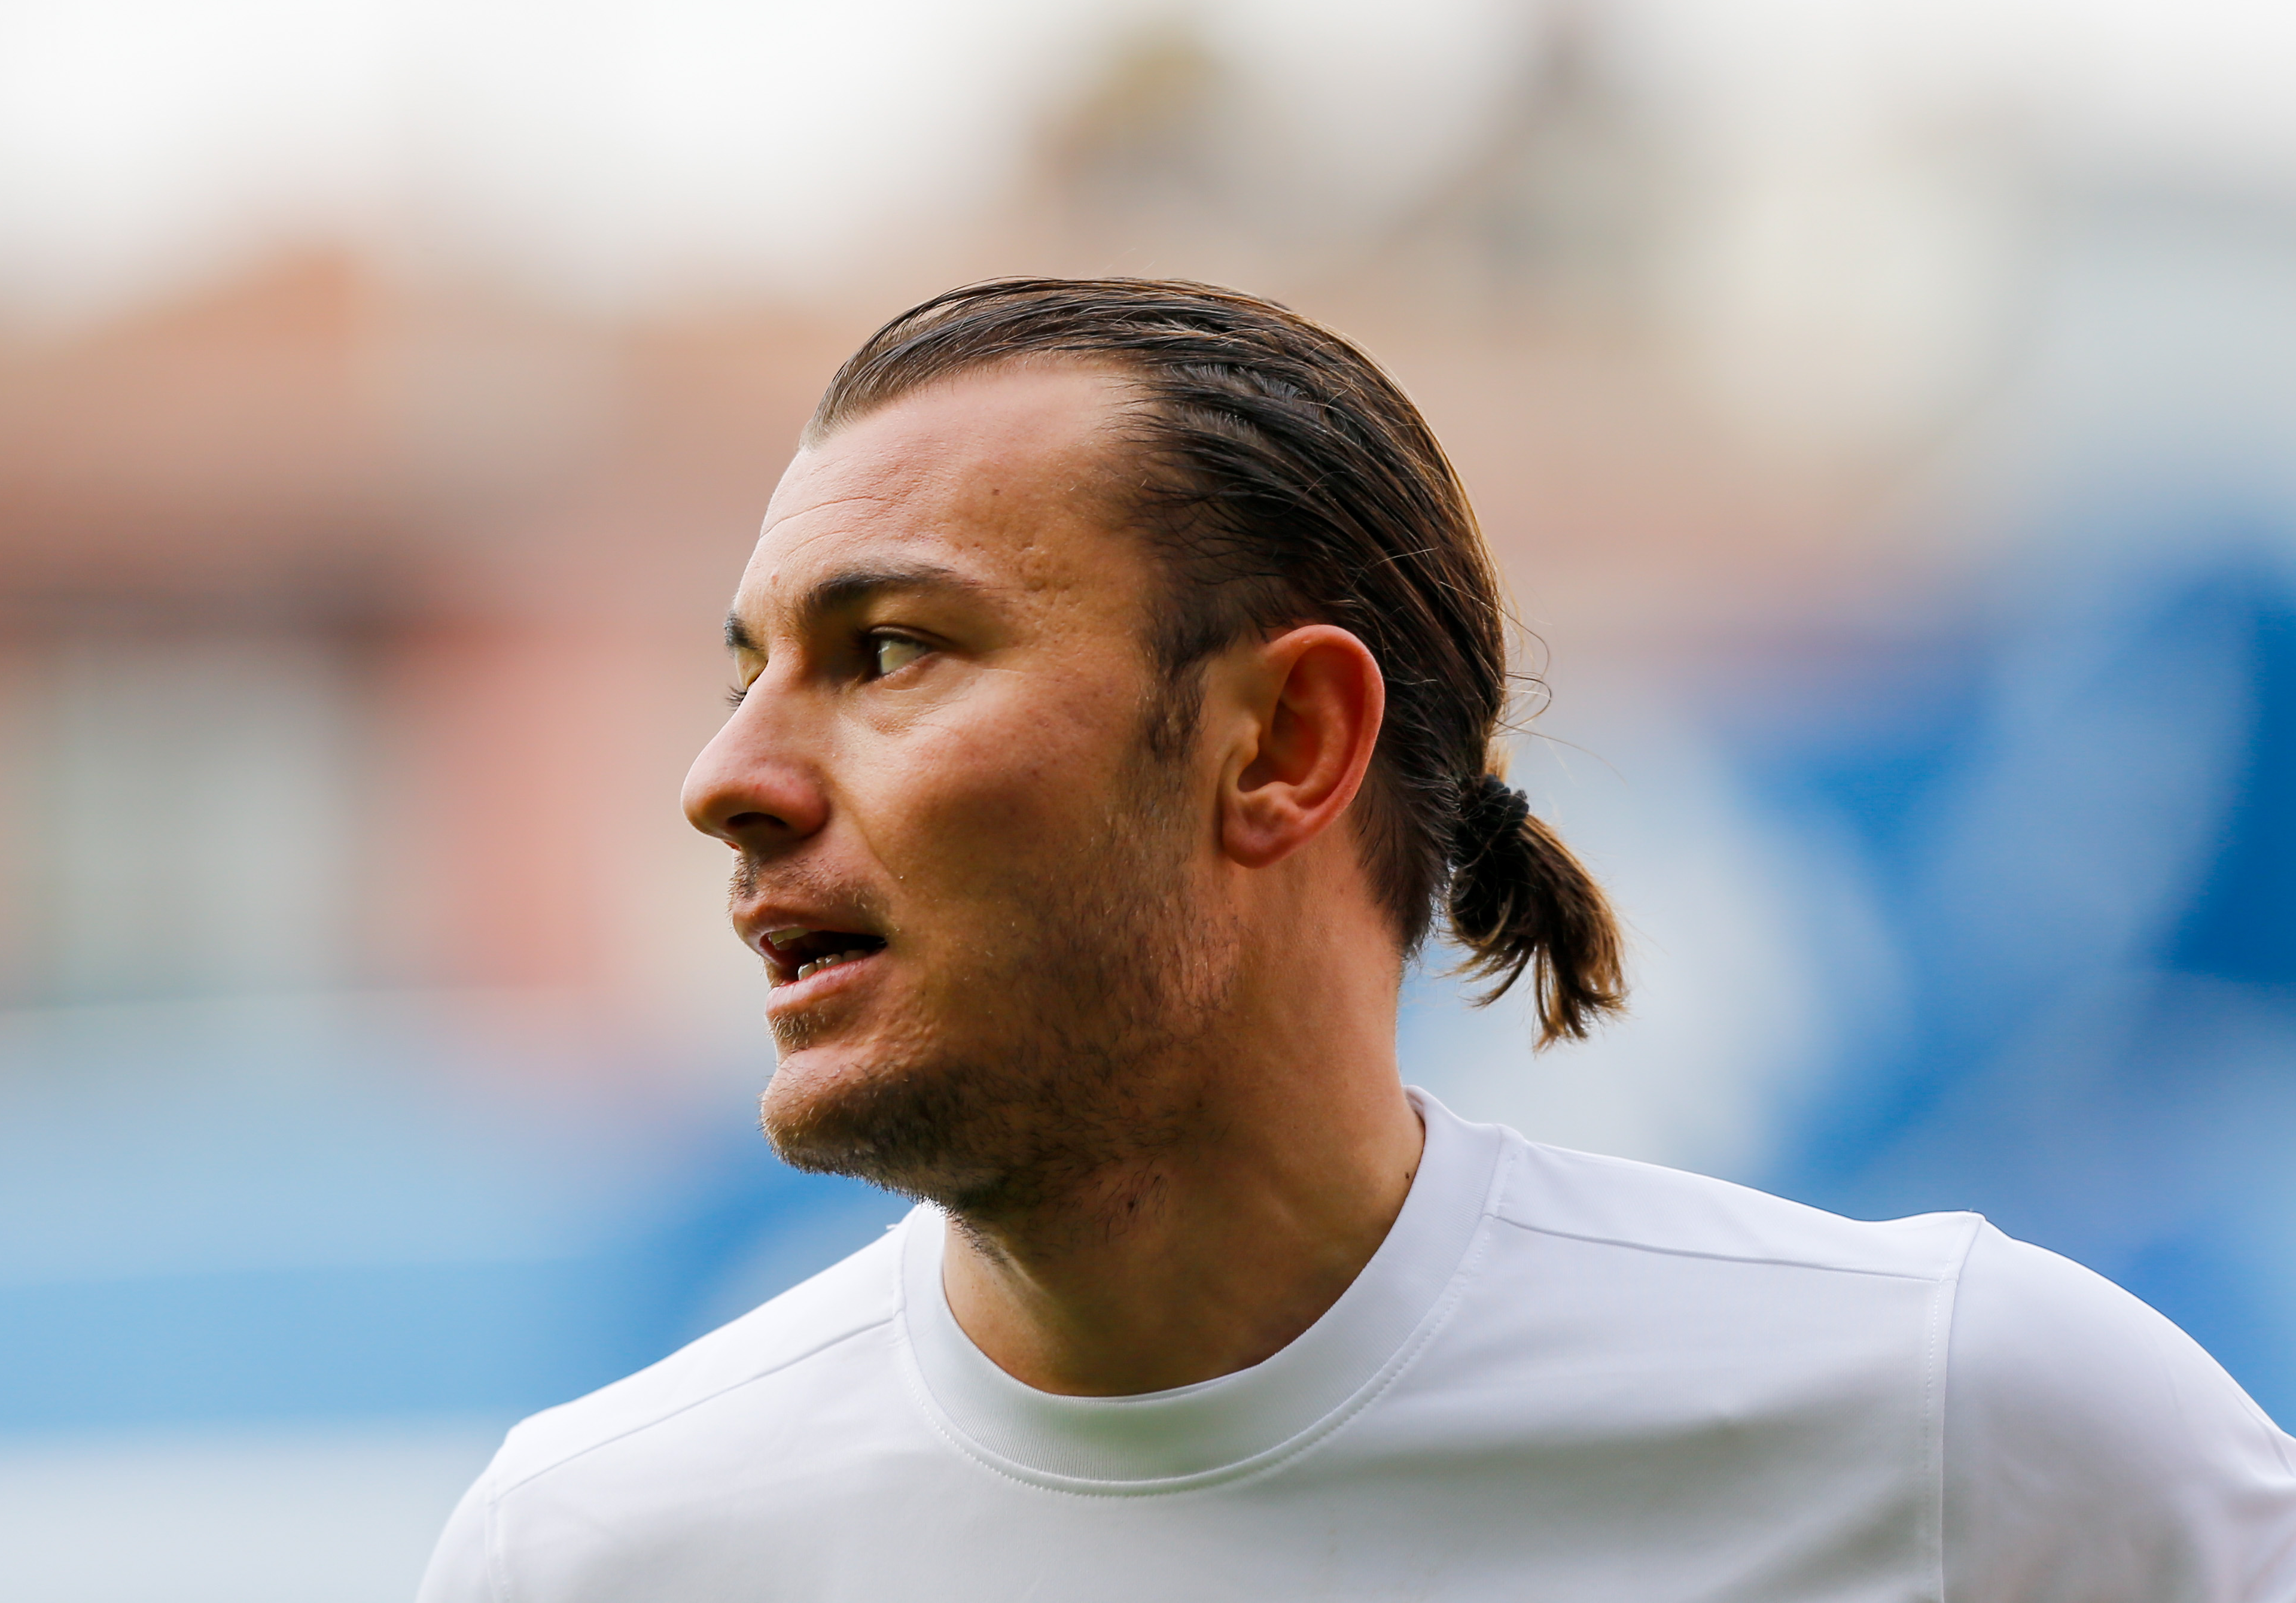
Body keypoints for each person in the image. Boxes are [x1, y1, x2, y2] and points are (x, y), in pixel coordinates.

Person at [419, 279, 2296, 1601]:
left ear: (1283, 745)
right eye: (743, 678)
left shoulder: (1973, 1423)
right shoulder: (592, 1551)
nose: (725, 782)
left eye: (889, 651)